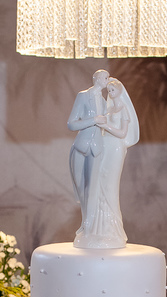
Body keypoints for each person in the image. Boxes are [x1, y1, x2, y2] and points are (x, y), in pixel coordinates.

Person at [75, 77, 139, 249]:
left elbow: (122, 133)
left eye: (113, 90)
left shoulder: (123, 109)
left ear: (120, 91)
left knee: (110, 185)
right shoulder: (108, 108)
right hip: (104, 146)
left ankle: (113, 229)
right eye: (108, 90)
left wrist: (105, 126)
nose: (110, 93)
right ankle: (98, 228)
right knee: (99, 183)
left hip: (116, 148)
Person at [68, 69, 109, 239]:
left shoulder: (105, 102)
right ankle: (86, 222)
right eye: (105, 77)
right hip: (81, 146)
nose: (107, 80)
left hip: (97, 147)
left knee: (92, 188)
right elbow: (71, 124)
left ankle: (88, 225)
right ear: (96, 79)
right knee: (80, 186)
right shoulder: (83, 96)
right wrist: (93, 120)